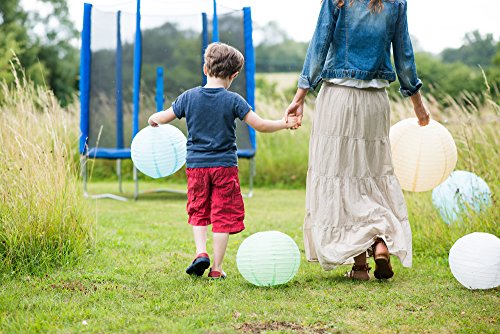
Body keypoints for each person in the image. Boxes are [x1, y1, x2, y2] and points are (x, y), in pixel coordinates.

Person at [286, 0, 430, 280]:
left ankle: (361, 266)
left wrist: (300, 96)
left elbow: (319, 44)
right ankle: (378, 243)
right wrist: (418, 104)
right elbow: (405, 55)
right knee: (371, 177)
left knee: (340, 177)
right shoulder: (396, 4)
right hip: (375, 102)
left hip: (338, 99)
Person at [148, 42, 299, 279]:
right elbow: (260, 125)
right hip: (225, 167)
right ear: (234, 75)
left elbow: (163, 117)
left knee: (198, 210)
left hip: (196, 167)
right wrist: (284, 123)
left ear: (205, 68)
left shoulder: (188, 97)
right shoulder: (233, 100)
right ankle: (216, 269)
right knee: (222, 215)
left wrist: (153, 119)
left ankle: (200, 252)